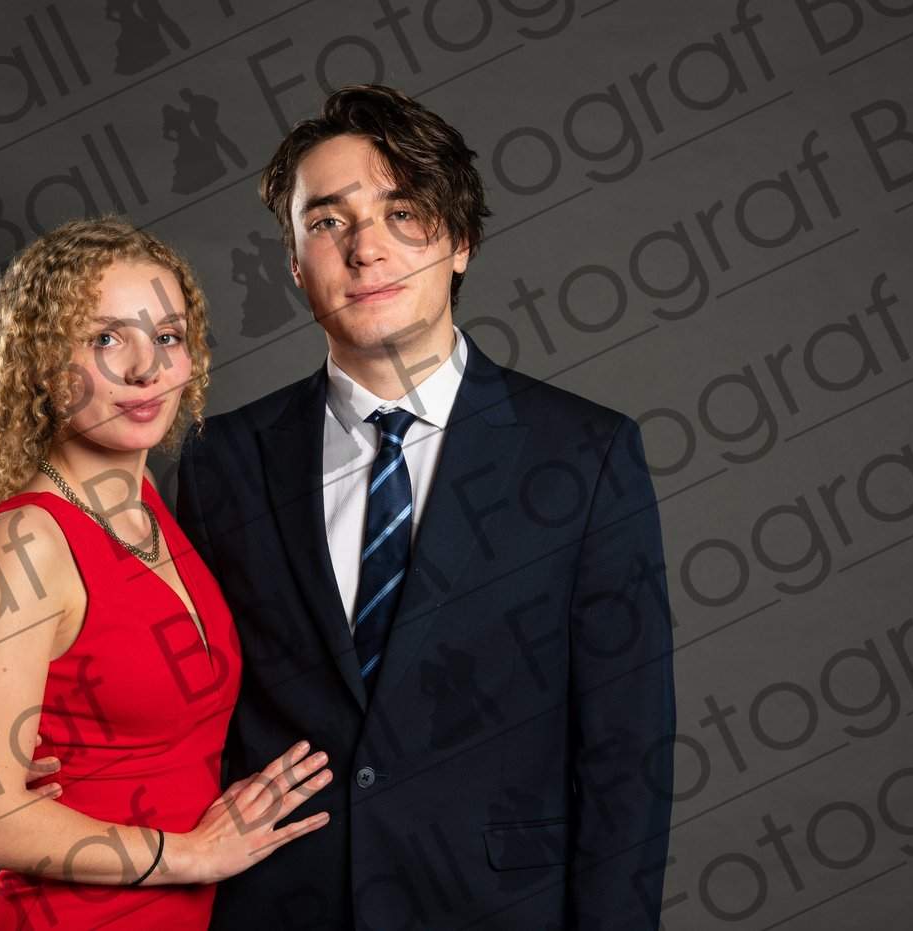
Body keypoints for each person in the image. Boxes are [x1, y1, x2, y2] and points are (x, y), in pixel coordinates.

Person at [175, 85, 677, 929]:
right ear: (294, 261)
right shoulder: (222, 459)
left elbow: (628, 752)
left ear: (461, 241)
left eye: (402, 212)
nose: (365, 248)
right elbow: (182, 705)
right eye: (327, 221)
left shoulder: (584, 456)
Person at [0, 216, 332, 929]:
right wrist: (192, 854)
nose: (146, 368)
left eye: (167, 337)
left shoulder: (147, 509)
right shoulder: (26, 539)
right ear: (41, 361)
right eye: (106, 339)